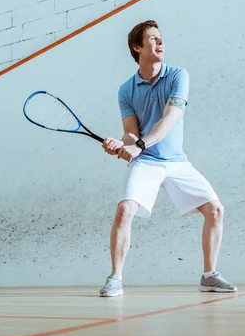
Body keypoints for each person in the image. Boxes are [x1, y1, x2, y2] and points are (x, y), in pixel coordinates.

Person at [100, 20, 237, 297]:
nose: (160, 42)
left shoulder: (178, 76)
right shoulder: (126, 90)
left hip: (176, 161)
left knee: (215, 210)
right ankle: (116, 278)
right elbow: (131, 133)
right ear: (138, 47)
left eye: (161, 38)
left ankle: (209, 276)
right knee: (125, 210)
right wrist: (120, 143)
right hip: (146, 162)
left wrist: (139, 143)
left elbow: (171, 118)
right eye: (152, 38)